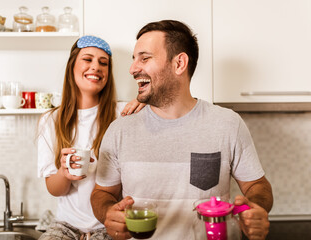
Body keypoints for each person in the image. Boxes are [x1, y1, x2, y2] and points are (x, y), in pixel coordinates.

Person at [91, 20, 273, 240]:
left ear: (179, 64)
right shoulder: (120, 130)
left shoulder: (227, 124)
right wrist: (108, 213)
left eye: (145, 58)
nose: (133, 69)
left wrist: (255, 208)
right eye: (134, 59)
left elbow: (257, 185)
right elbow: (102, 193)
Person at [37, 35, 145, 240]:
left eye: (103, 63)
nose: (96, 67)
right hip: (65, 225)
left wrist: (147, 104)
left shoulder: (122, 113)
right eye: (87, 59)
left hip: (108, 223)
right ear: (72, 67)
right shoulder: (50, 120)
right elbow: (55, 189)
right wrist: (64, 172)